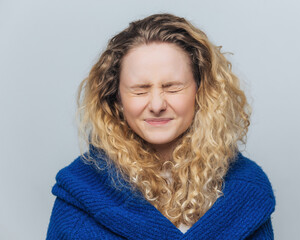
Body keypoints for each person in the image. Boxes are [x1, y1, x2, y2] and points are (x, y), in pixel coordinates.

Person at [47, 13, 275, 239]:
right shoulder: (81, 191)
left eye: (172, 87)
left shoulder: (246, 190)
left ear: (202, 91)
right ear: (116, 98)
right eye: (140, 89)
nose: (157, 104)